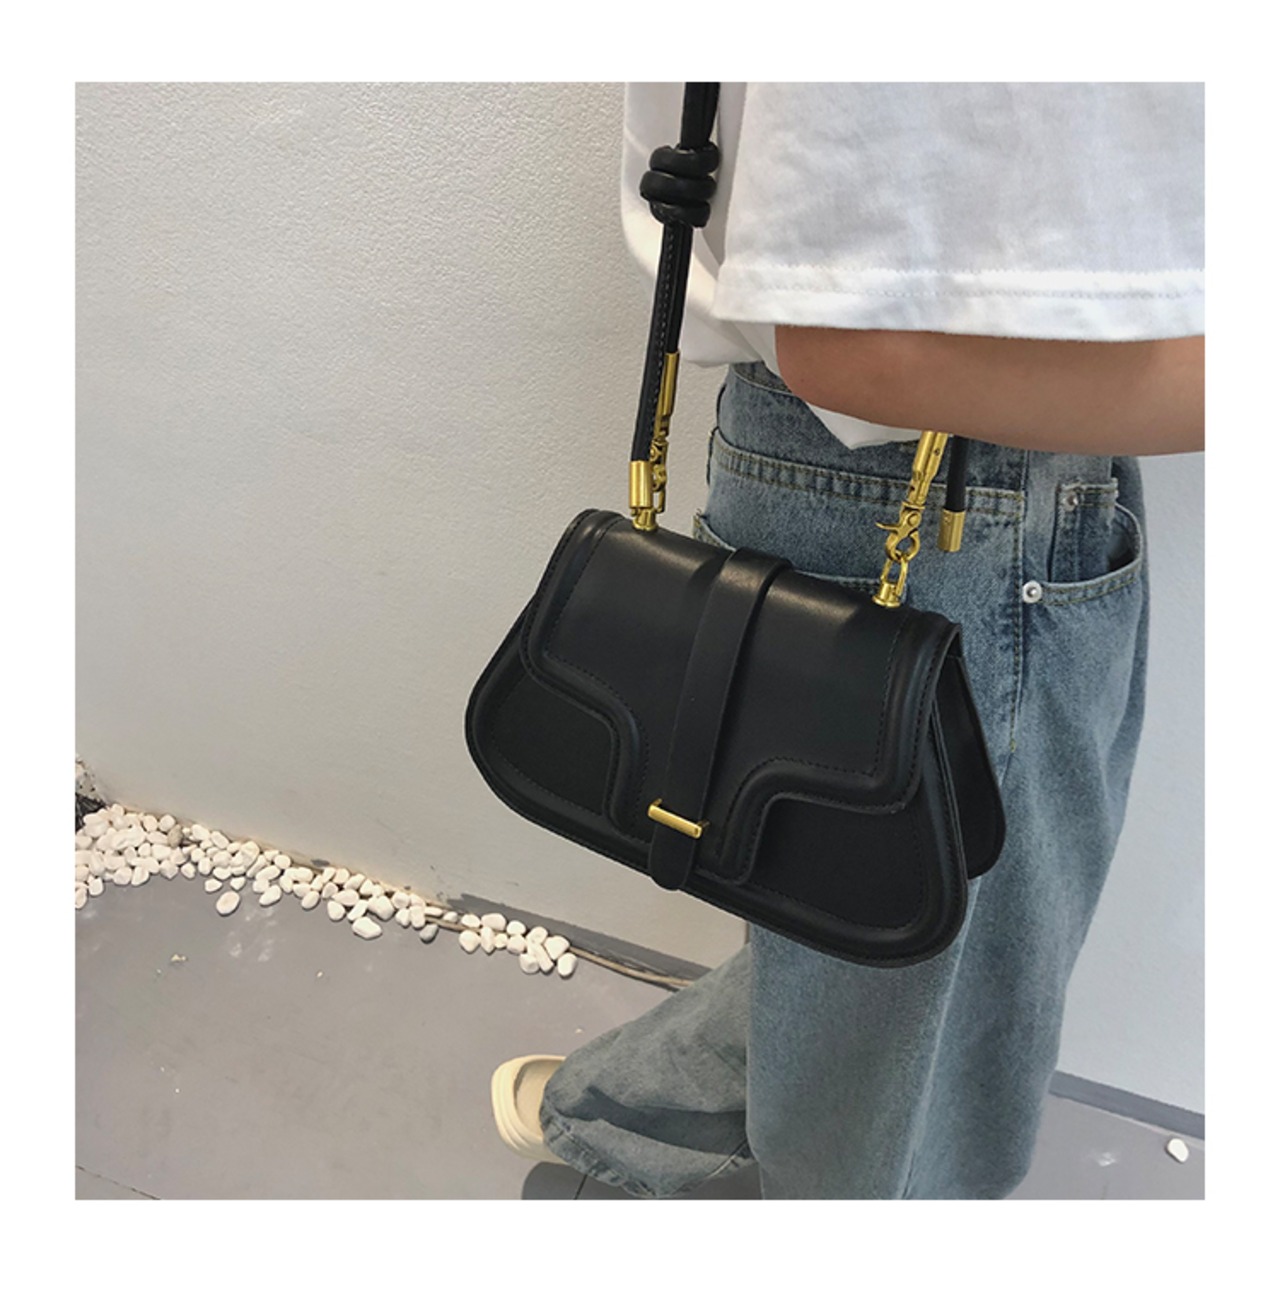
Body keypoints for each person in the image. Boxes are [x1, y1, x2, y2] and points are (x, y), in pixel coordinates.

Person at [489, 82, 1204, 1199]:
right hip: (950, 486)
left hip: (930, 476)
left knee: (856, 939)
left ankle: (621, 1111)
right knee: (929, 1029)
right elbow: (860, 350)